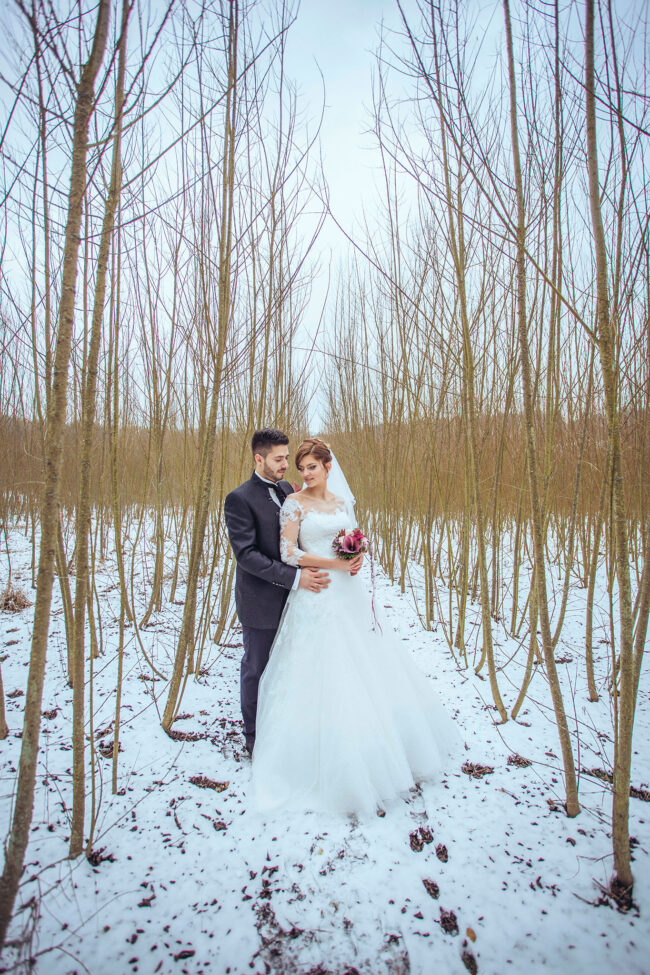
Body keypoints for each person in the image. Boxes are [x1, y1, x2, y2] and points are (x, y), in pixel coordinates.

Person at [252, 437, 459, 816]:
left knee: (369, 664)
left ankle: (385, 748)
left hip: (351, 593)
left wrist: (358, 555)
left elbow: (354, 540)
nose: (305, 473)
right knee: (324, 671)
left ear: (328, 467)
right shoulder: (294, 503)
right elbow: (288, 552)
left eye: (311, 466)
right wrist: (335, 565)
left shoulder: (343, 502)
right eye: (301, 468)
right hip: (317, 591)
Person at [224, 429, 330, 756]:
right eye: (279, 459)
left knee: (289, 668)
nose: (287, 464)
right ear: (259, 458)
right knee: (257, 668)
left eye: (287, 457)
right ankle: (254, 737)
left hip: (297, 602)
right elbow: (247, 555)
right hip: (261, 602)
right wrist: (295, 578)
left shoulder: (287, 489)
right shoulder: (239, 498)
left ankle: (284, 729)